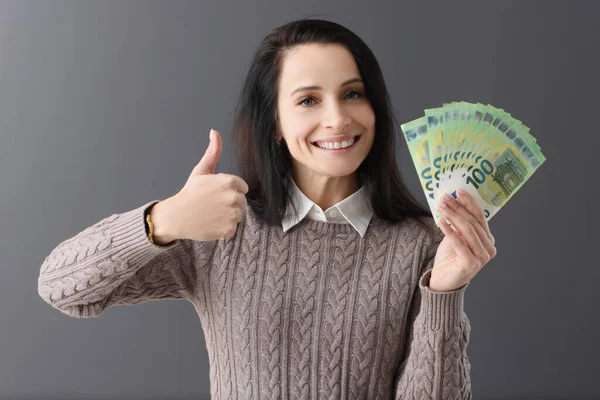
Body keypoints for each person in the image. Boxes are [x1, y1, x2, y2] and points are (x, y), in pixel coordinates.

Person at [37, 18, 496, 400]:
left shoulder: (421, 243)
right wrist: (166, 219)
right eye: (308, 100)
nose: (337, 118)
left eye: (353, 93)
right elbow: (62, 287)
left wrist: (444, 293)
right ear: (274, 123)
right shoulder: (222, 231)